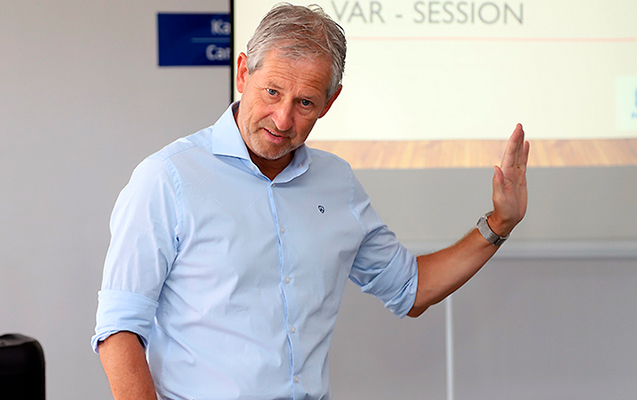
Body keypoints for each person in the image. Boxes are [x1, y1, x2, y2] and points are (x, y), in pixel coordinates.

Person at [92, 3, 530, 400]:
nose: (283, 119)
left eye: (304, 102)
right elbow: (119, 329)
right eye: (272, 92)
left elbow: (411, 289)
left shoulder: (337, 181)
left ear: (329, 101)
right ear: (243, 73)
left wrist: (499, 223)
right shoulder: (167, 178)